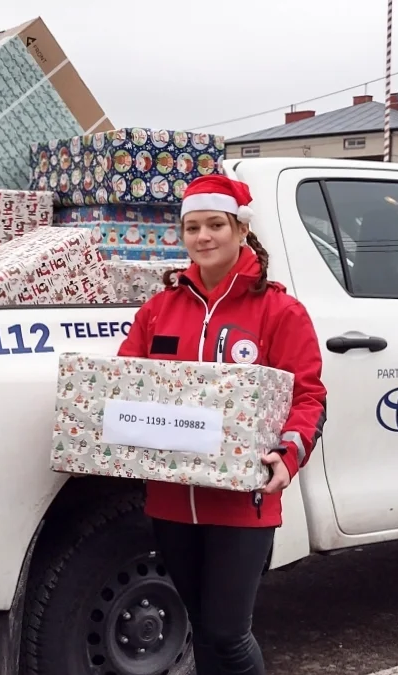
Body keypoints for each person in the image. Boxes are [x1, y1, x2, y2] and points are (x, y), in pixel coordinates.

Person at [116, 174, 328, 675]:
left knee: (229, 634)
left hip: (242, 505)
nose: (203, 237)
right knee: (202, 627)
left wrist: (289, 452)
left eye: (215, 225)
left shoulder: (279, 310)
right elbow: (125, 381)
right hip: (171, 501)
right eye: (193, 227)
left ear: (240, 232)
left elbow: (310, 395)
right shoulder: (159, 308)